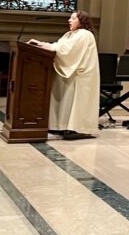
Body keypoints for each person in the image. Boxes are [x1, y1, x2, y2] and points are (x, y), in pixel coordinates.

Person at [30, 10, 100, 139]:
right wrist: (42, 44)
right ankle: (59, 126)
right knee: (64, 101)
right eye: (70, 18)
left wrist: (48, 47)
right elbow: (59, 45)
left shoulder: (84, 34)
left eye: (73, 18)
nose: (69, 20)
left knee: (74, 103)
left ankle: (77, 128)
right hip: (68, 73)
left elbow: (68, 51)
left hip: (79, 76)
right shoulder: (69, 34)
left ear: (82, 21)